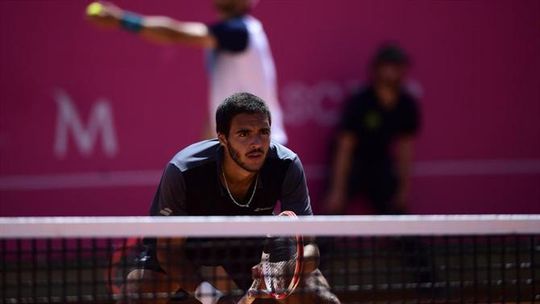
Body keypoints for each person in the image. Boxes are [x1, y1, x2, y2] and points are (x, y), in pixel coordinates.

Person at [125, 93, 339, 304]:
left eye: (263, 132)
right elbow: (169, 253)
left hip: (248, 241)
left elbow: (310, 247)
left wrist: (280, 268)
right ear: (222, 138)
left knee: (319, 297)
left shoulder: (286, 165)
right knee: (139, 295)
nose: (257, 143)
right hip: (187, 245)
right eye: (244, 134)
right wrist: (214, 299)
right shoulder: (183, 170)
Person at [87, 0, 287, 144]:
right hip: (244, 146)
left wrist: (124, 21)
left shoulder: (240, 32)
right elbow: (223, 103)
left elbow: (177, 33)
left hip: (258, 147)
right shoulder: (236, 36)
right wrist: (208, 145)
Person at [325, 44, 421, 215]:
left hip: (382, 166)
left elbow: (406, 149)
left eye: (397, 67)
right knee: (331, 215)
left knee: (399, 219)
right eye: (387, 66)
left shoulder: (407, 105)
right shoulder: (360, 102)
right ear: (376, 69)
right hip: (353, 165)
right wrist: (337, 190)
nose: (391, 72)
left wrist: (403, 191)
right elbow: (345, 147)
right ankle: (319, 243)